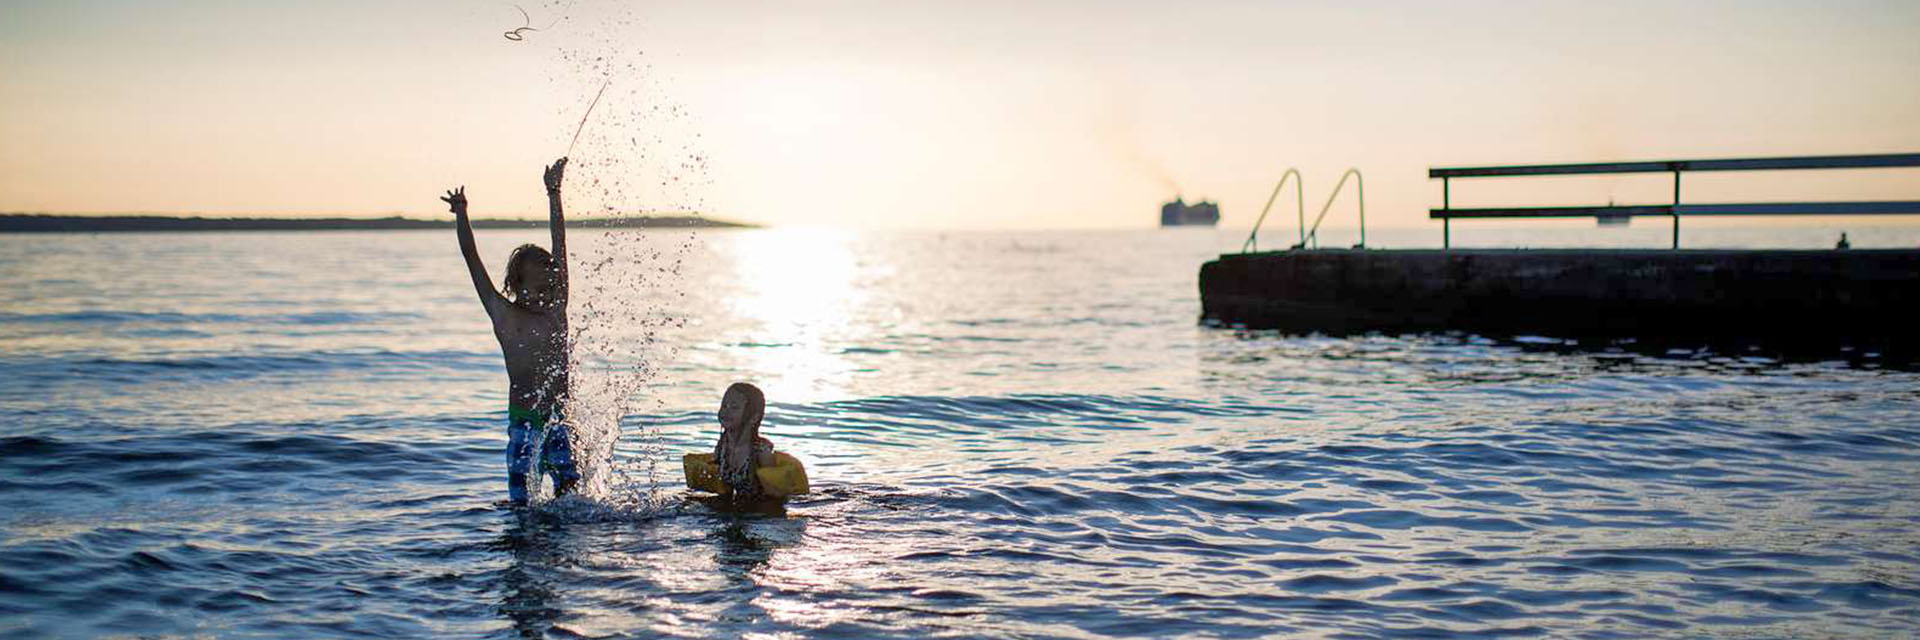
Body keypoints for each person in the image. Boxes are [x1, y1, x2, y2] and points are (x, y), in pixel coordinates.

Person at [440, 157, 580, 504]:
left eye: (551, 280)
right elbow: (472, 260)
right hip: (524, 422)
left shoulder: (556, 309)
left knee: (571, 496)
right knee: (521, 503)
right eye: (540, 281)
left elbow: (560, 242)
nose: (548, 287)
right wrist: (462, 215)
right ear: (518, 284)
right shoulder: (504, 314)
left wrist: (554, 193)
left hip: (559, 418)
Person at [713, 382, 777, 498]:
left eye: (734, 407)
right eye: (724, 406)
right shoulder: (722, 446)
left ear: (754, 418)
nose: (726, 411)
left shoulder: (761, 452)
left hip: (758, 511)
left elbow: (774, 494)